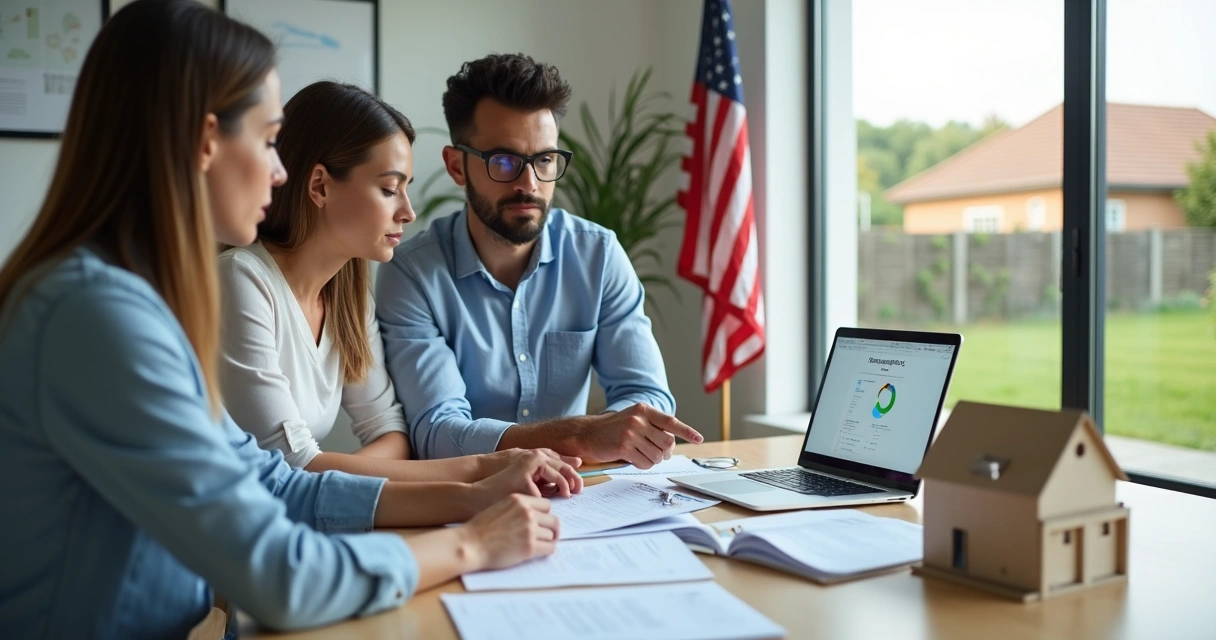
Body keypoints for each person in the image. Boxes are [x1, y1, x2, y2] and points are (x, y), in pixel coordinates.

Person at [0, 3, 564, 637]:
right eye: (269, 140)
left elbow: (273, 482)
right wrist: (473, 544)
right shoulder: (97, 317)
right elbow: (280, 576)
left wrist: (472, 495)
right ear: (206, 141)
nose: (278, 170)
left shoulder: (137, 301)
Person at [218, 80, 582, 487]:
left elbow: (391, 434)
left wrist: (334, 479)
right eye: (389, 189)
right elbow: (290, 465)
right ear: (320, 186)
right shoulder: (241, 280)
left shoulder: (346, 298)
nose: (408, 211)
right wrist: (484, 469)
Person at [376, 53, 704, 469]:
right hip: (468, 502)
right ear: (457, 166)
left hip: (582, 495)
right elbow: (438, 432)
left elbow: (648, 399)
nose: (529, 184)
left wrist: (619, 432)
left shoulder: (598, 255)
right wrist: (583, 436)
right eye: (505, 161)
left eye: (545, 159)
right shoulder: (412, 273)